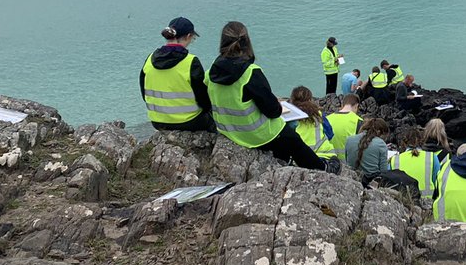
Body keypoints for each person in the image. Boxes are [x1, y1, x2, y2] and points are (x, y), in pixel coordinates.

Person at [206, 21, 329, 171]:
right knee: (293, 140)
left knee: (286, 140)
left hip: (227, 130)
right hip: (254, 135)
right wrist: (278, 103)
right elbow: (273, 111)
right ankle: (322, 168)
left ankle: (284, 161)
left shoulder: (212, 71)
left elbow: (208, 100)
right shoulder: (251, 73)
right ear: (247, 42)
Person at [140, 17, 214, 132]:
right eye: (193, 38)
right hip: (189, 121)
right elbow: (203, 99)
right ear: (189, 36)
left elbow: (144, 94)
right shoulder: (190, 62)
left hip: (157, 121)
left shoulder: (149, 59)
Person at [345, 118, 418, 195]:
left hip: (352, 179)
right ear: (380, 132)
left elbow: (348, 162)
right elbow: (384, 172)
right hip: (371, 184)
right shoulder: (380, 144)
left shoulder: (349, 140)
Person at [289, 86, 337, 158]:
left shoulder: (290, 118)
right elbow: (330, 134)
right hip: (325, 155)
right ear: (310, 99)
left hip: (302, 157)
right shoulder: (318, 114)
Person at [390, 127, 440, 196]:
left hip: (403, 202)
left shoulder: (394, 160)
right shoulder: (432, 157)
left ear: (403, 143)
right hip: (427, 201)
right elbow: (437, 182)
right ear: (422, 141)